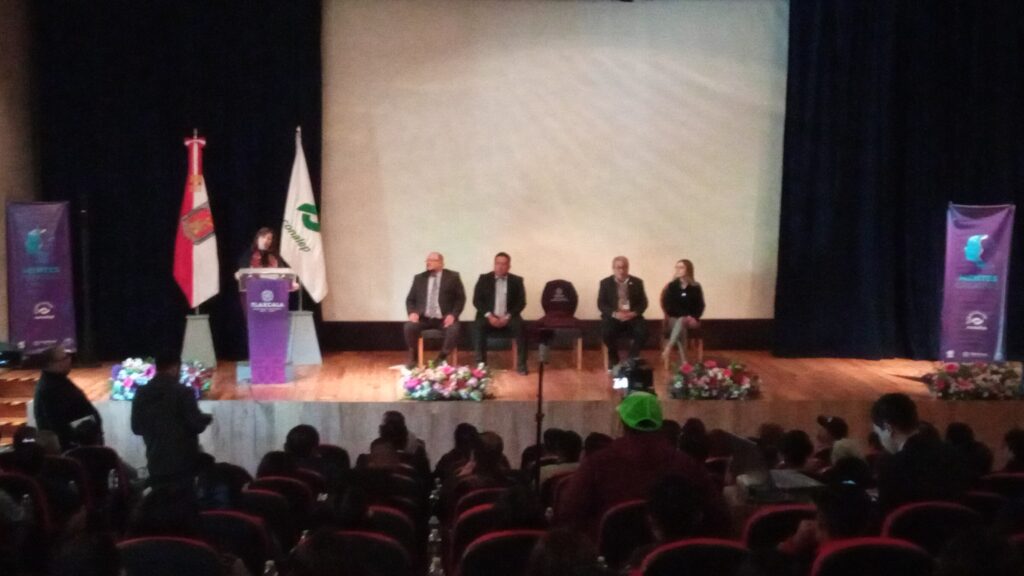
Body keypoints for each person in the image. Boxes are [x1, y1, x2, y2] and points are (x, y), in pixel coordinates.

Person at [557, 392, 729, 537]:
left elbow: (568, 514)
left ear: (623, 422)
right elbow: (717, 515)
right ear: (659, 421)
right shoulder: (686, 465)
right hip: (674, 560)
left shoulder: (597, 464)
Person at [870, 392, 971, 513]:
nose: (881, 441)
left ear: (888, 428)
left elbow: (885, 515)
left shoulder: (890, 466)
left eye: (879, 434)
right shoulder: (955, 455)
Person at [131, 350, 213, 490]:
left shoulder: (142, 393)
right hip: (183, 465)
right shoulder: (183, 392)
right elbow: (196, 425)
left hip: (156, 462)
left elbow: (136, 428)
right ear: (175, 368)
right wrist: (206, 419)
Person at [33, 346, 102, 451]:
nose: (69, 360)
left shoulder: (58, 381)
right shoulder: (50, 389)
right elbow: (58, 426)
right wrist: (78, 441)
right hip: (73, 450)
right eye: (64, 358)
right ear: (52, 364)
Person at [403, 252, 466, 367]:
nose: (428, 262)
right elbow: (410, 299)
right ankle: (414, 356)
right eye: (427, 260)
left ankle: (442, 357)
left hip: (444, 318)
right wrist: (412, 313)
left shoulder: (453, 277)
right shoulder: (419, 278)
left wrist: (453, 315)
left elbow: (460, 299)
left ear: (441, 263)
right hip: (424, 318)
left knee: (454, 329)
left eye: (432, 260)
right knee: (409, 327)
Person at [472, 252, 528, 374]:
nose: (500, 267)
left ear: (509, 266)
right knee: (478, 326)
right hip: (488, 316)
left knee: (521, 327)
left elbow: (521, 302)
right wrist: (490, 316)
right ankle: (481, 366)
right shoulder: (484, 279)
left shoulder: (517, 281)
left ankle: (521, 365)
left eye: (504, 264)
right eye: (498, 263)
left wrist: (507, 317)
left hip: (509, 316)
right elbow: (476, 301)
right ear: (494, 264)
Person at [597, 256, 649, 367]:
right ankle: (613, 357)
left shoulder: (637, 282)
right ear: (613, 268)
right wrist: (615, 314)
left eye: (624, 267)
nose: (621, 271)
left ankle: (631, 358)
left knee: (643, 331)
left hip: (632, 317)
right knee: (606, 332)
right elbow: (601, 304)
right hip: (614, 317)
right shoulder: (605, 283)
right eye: (618, 267)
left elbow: (643, 303)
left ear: (628, 268)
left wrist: (634, 313)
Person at [660, 259, 705, 363]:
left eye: (681, 267)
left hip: (692, 320)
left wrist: (694, 317)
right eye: (677, 267)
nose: (678, 270)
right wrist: (684, 316)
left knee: (681, 324)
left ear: (688, 269)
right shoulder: (672, 286)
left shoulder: (696, 287)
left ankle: (669, 348)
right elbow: (668, 306)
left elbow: (700, 305)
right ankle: (684, 362)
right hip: (674, 318)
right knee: (681, 324)